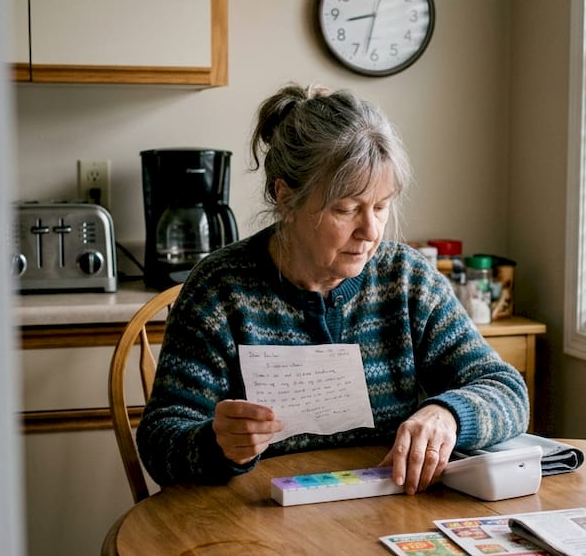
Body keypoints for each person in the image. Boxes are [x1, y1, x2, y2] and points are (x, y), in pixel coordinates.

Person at [136, 82, 528, 493]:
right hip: (256, 518)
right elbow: (160, 439)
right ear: (285, 197)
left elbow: (507, 391)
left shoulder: (406, 280)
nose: (370, 231)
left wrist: (448, 415)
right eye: (346, 209)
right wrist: (216, 444)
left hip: (388, 512)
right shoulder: (220, 291)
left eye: (381, 206)